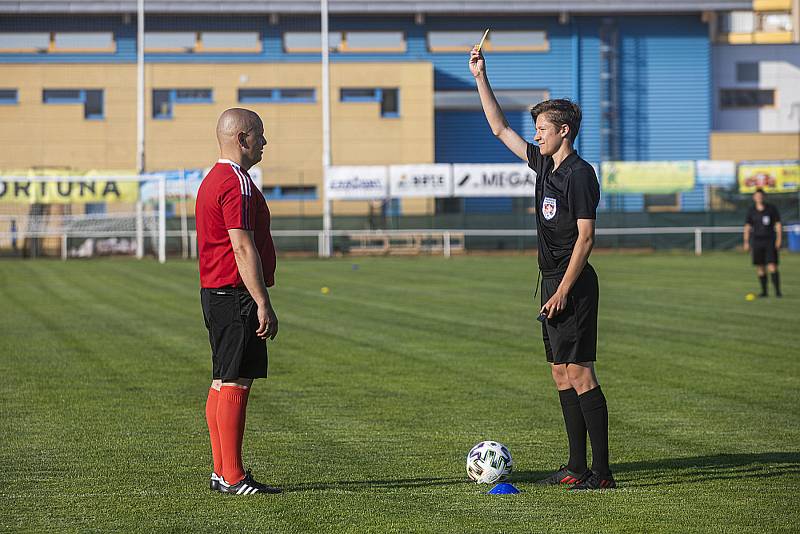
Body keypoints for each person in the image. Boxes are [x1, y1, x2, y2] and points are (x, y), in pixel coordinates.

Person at [470, 47, 614, 490]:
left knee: (580, 372)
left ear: (564, 131)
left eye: (543, 129)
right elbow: (499, 128)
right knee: (559, 372)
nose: (537, 135)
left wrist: (565, 290)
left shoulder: (579, 174)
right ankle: (575, 466)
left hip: (573, 284)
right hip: (551, 281)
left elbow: (586, 239)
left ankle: (602, 472)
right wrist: (480, 76)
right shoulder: (543, 165)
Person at [195, 108, 280, 495]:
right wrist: (262, 301)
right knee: (235, 382)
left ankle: (221, 471)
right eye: (259, 135)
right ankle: (232, 476)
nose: (264, 142)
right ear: (242, 139)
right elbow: (242, 247)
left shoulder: (212, 179)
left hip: (216, 294)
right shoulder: (236, 182)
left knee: (221, 380)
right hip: (235, 294)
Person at [744, 188, 782, 297]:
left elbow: (778, 224)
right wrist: (746, 242)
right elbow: (747, 226)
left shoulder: (771, 209)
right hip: (757, 241)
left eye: (761, 196)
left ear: (764, 197)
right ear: (754, 197)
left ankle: (777, 292)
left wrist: (779, 239)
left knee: (772, 265)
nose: (759, 198)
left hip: (770, 240)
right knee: (760, 266)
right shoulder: (751, 210)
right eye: (757, 196)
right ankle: (764, 292)